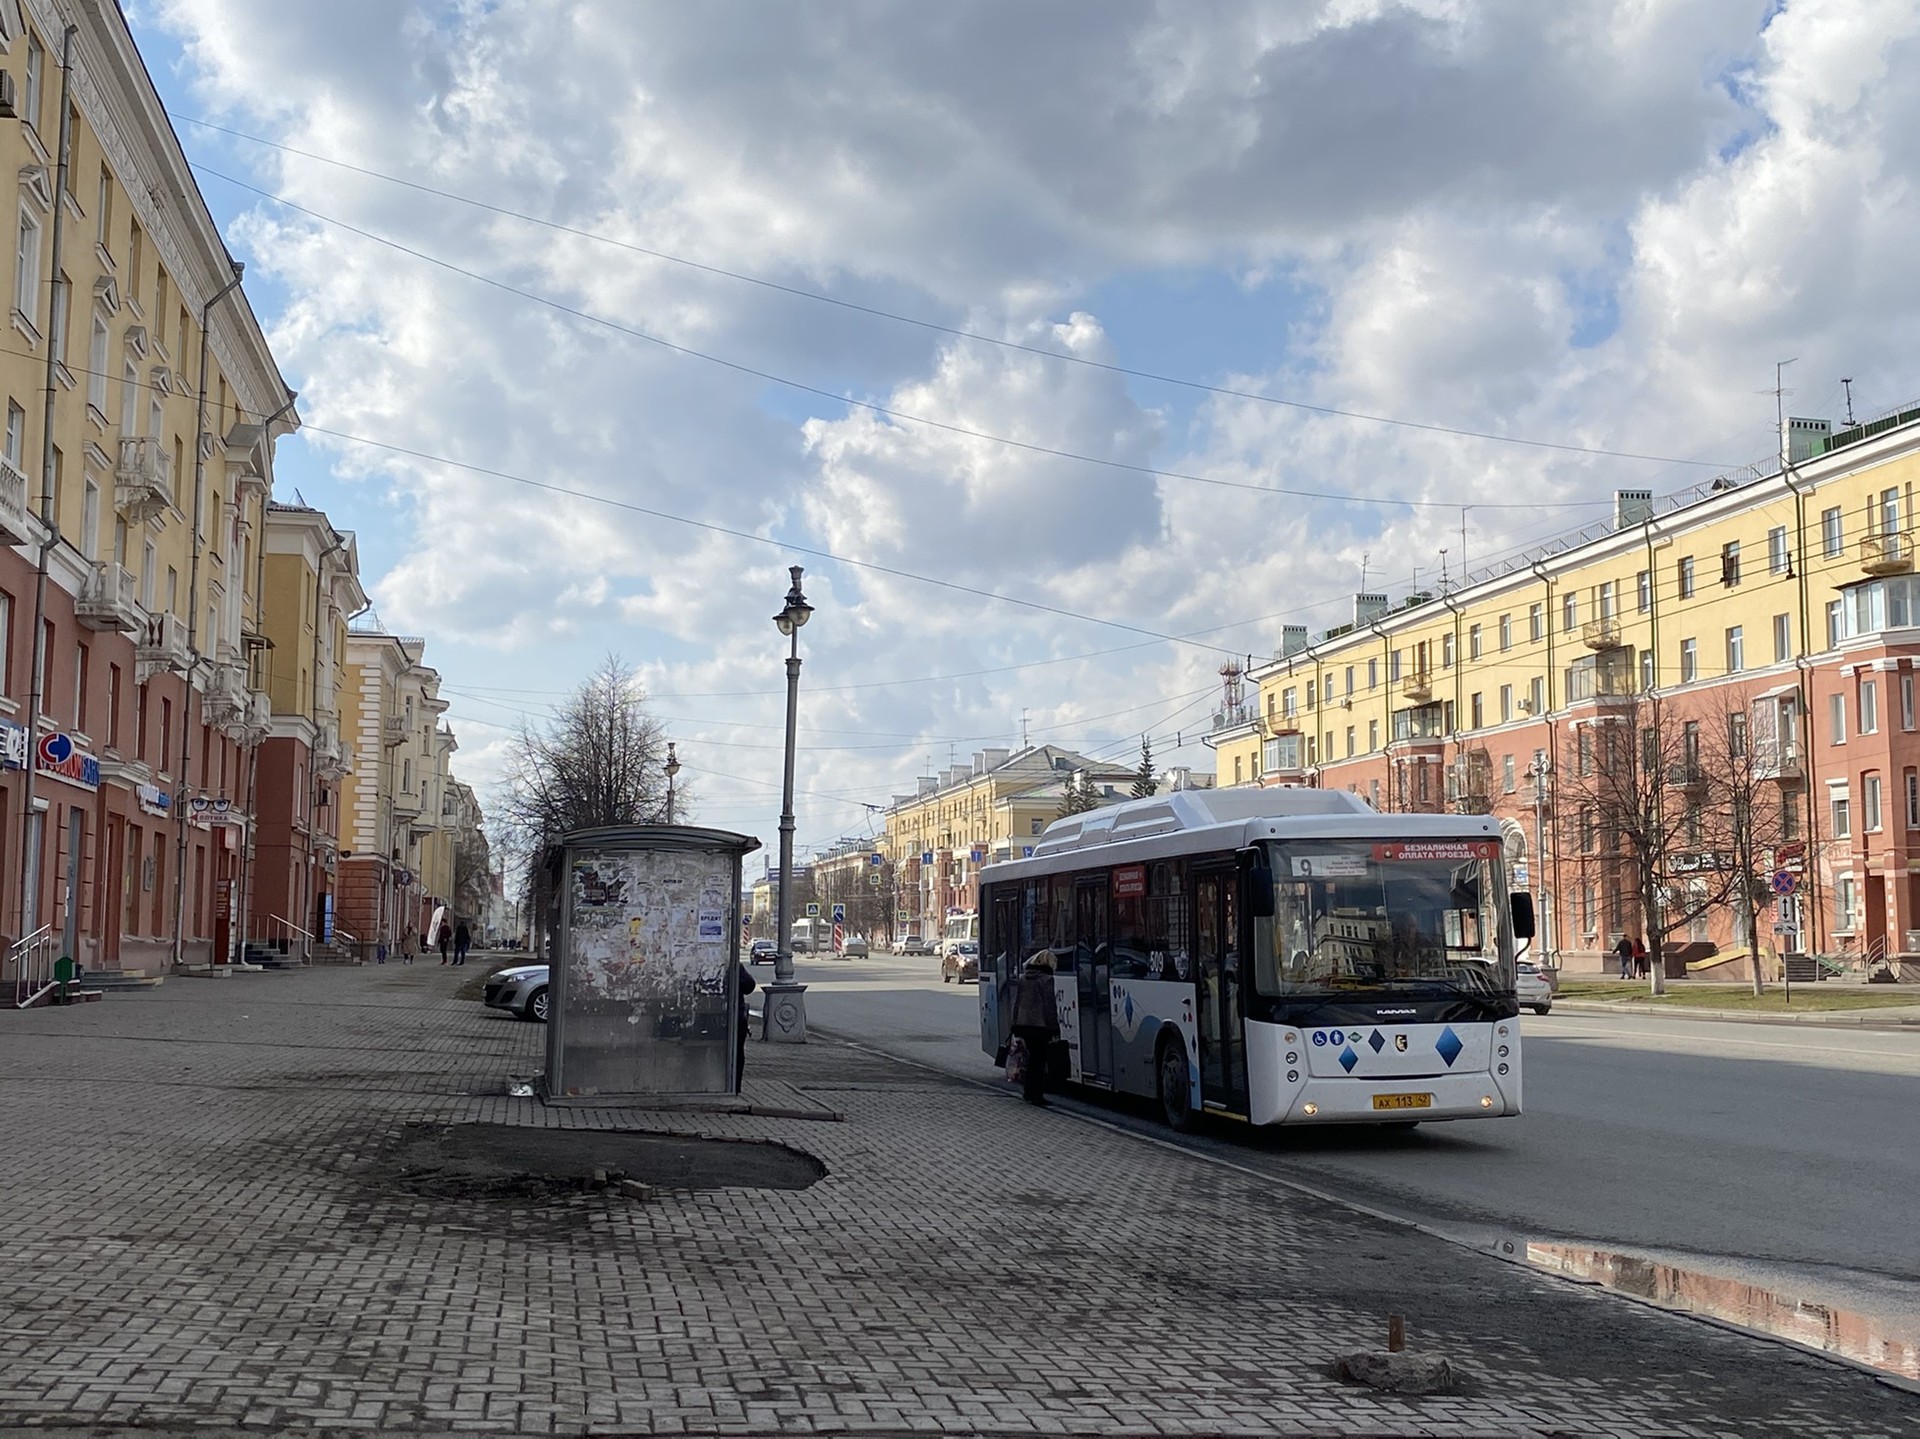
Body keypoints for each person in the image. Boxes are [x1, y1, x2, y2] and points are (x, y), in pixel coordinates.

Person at [1009, 952, 1061, 1107]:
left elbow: (1017, 1003)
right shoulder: (1047, 979)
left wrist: (1015, 1024)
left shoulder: (1024, 978)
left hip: (1024, 1025)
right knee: (1039, 1061)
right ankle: (1036, 1095)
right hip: (1040, 1026)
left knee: (1032, 1059)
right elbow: (1049, 1006)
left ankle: (1029, 1092)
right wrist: (1054, 1028)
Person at [734, 961, 757, 1094]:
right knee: (737, 1052)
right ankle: (735, 1086)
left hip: (708, 1017)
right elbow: (749, 986)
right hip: (735, 1016)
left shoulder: (700, 964)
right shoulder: (733, 965)